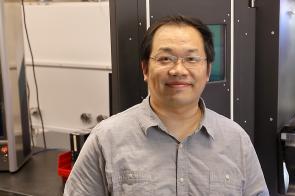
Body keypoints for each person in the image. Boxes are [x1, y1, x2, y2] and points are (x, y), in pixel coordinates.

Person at [64, 15, 269, 196]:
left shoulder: (236, 141)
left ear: (207, 71)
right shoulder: (106, 139)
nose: (178, 70)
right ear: (145, 68)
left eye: (191, 58)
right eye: (165, 58)